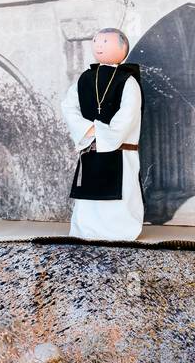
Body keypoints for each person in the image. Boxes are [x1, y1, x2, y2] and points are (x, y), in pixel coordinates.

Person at [62, 28, 144, 241]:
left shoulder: (128, 80)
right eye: (96, 40)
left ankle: (121, 231)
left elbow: (129, 113)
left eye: (106, 40)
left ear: (122, 46)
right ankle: (86, 230)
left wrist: (103, 133)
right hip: (91, 148)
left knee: (121, 194)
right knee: (89, 197)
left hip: (120, 150)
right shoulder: (84, 79)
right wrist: (86, 130)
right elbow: (69, 106)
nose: (99, 44)